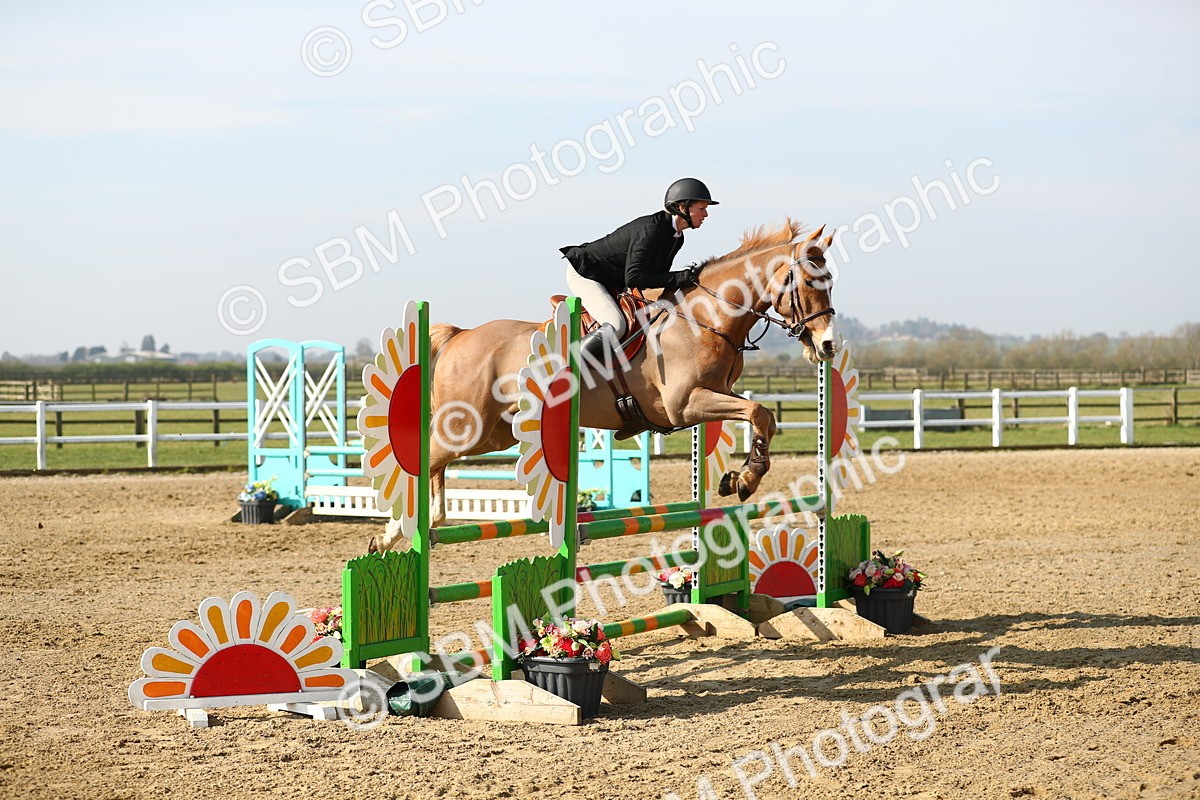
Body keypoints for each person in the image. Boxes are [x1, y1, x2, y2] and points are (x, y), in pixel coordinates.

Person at [559, 177, 718, 362]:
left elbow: (657, 278)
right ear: (682, 207)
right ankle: (566, 364)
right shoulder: (651, 229)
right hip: (586, 273)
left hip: (613, 278)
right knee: (616, 324)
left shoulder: (676, 237)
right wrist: (679, 278)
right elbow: (634, 278)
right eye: (702, 208)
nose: (706, 214)